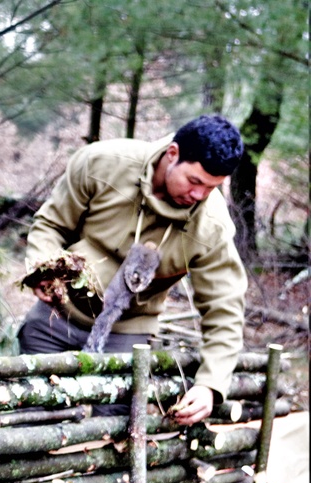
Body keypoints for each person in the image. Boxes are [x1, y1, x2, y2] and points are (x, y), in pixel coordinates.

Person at [19, 115, 246, 425]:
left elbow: (225, 308)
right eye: (194, 181)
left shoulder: (212, 226)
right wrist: (43, 268)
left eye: (211, 188)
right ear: (172, 154)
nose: (198, 195)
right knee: (32, 420)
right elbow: (51, 224)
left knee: (110, 434)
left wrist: (210, 384)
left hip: (128, 332)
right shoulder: (102, 164)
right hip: (57, 316)